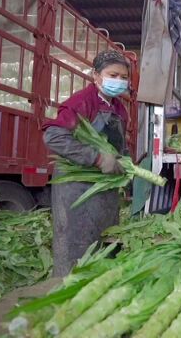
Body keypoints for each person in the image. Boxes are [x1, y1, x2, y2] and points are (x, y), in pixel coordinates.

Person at [43, 50, 131, 276]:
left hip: (106, 190)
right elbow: (53, 136)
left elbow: (120, 145)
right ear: (96, 75)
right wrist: (97, 158)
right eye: (113, 75)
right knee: (76, 245)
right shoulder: (81, 102)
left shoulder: (120, 108)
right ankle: (66, 294)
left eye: (123, 77)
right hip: (77, 189)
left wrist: (125, 164)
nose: (119, 81)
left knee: (107, 240)